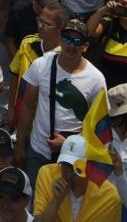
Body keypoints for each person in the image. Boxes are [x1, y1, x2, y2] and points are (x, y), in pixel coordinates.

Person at [16, 14, 107, 175]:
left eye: (77, 41)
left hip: (72, 156)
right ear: (60, 40)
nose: (71, 45)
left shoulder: (96, 79)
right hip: (38, 151)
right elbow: (28, 106)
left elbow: (98, 124)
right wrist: (20, 144)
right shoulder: (41, 65)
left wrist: (69, 144)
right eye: (67, 39)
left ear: (85, 46)